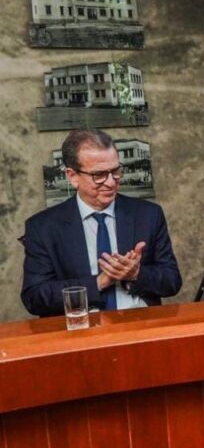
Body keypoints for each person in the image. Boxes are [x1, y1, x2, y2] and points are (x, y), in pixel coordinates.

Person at [21, 129, 182, 316]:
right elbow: (35, 297)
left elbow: (172, 281)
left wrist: (135, 274)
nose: (111, 182)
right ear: (73, 176)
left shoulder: (148, 215)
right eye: (99, 175)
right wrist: (100, 282)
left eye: (115, 171)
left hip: (140, 326)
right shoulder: (43, 227)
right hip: (80, 332)